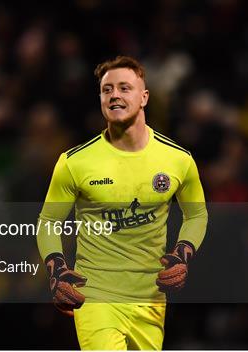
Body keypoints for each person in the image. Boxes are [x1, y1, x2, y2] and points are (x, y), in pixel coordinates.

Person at [36, 56, 208, 350]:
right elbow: (48, 222)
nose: (114, 95)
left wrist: (182, 254)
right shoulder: (74, 163)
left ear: (144, 98)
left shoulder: (179, 160)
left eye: (124, 88)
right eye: (107, 90)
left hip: (151, 299)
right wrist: (56, 269)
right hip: (96, 296)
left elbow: (197, 215)